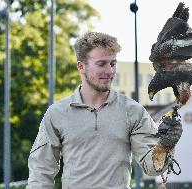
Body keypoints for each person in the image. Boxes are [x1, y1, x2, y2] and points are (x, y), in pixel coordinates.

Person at [27, 32, 182, 189]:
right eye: (101, 64)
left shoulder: (133, 111)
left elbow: (153, 167)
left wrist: (166, 144)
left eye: (112, 64)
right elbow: (40, 172)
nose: (109, 71)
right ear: (81, 66)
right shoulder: (57, 114)